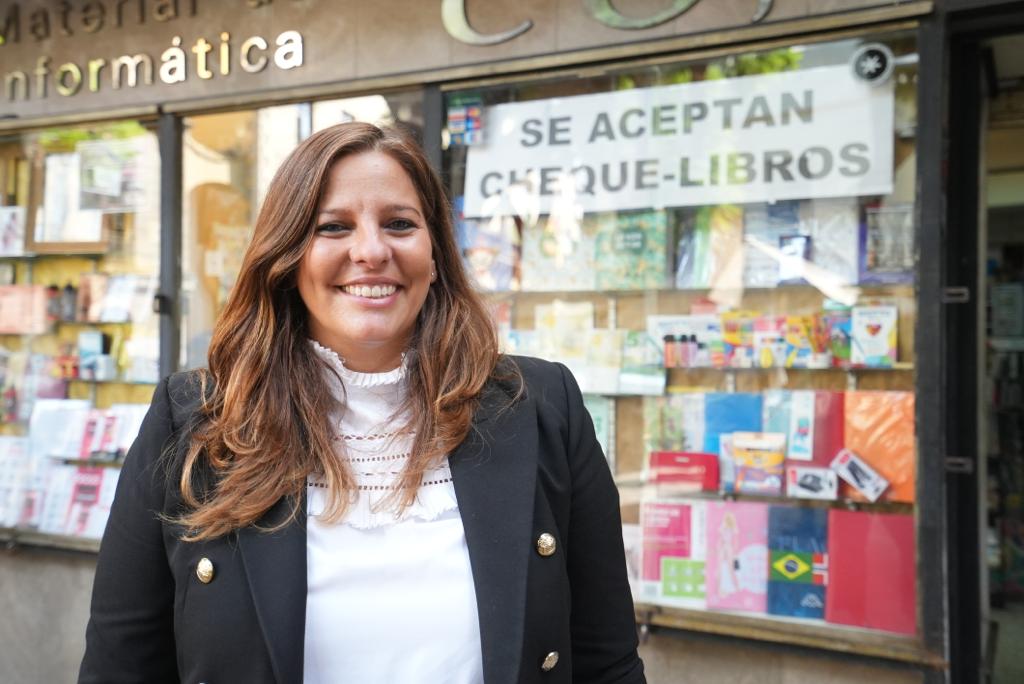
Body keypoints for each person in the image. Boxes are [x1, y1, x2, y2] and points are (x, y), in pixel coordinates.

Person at [79, 122, 645, 684]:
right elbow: (119, 667)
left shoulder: (542, 408)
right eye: (333, 227)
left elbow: (607, 662)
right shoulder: (196, 421)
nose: (372, 251)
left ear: (436, 252)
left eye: (400, 223)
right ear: (287, 254)